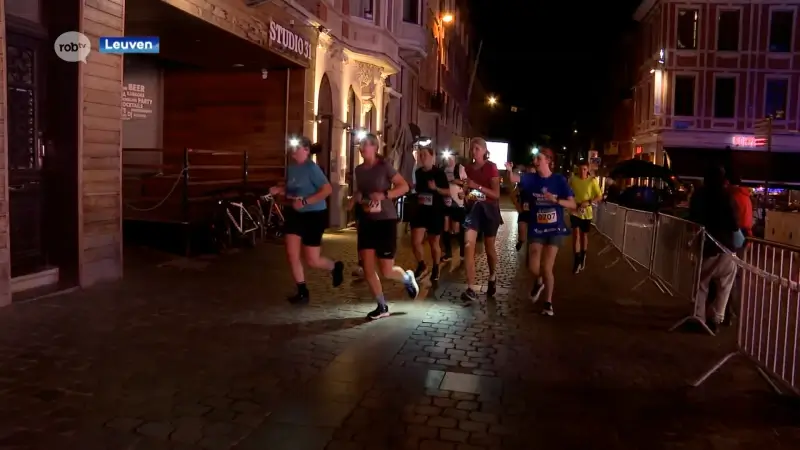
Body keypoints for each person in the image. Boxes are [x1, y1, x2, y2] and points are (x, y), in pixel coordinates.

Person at [351, 133, 419, 319]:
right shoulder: (358, 170)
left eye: (366, 145)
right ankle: (382, 306)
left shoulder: (384, 167)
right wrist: (356, 198)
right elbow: (361, 192)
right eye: (361, 145)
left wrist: (384, 195)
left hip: (385, 220)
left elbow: (404, 186)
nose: (362, 148)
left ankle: (406, 278)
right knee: (367, 267)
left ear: (375, 147)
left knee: (387, 270)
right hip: (367, 220)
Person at [269, 137, 344, 304]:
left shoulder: (312, 169)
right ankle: (302, 291)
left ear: (306, 150)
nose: (294, 151)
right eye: (292, 147)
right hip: (295, 214)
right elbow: (290, 188)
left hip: (314, 215)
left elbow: (327, 190)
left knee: (312, 260)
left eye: (297, 148)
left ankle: (334, 267)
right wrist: (279, 189)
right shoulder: (292, 168)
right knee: (291, 253)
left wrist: (305, 201)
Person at [507, 148, 576, 316]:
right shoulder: (531, 179)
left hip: (555, 228)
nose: (535, 160)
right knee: (533, 266)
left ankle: (548, 303)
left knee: (547, 267)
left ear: (548, 161)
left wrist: (556, 200)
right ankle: (539, 282)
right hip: (537, 226)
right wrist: (509, 171)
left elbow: (573, 204)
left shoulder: (559, 180)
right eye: (535, 158)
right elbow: (514, 179)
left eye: (539, 158)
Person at [688, 165, 740, 333]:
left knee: (701, 284)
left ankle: (699, 317)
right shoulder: (727, 196)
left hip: (707, 246)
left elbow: (693, 217)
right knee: (725, 285)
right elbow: (734, 223)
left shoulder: (699, 195)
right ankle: (716, 318)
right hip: (727, 248)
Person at [461, 138, 502, 302]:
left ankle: (492, 276)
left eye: (477, 149)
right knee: (468, 245)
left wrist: (476, 186)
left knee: (489, 248)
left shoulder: (491, 167)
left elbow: (496, 194)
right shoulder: (468, 168)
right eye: (472, 149)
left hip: (490, 211)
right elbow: (468, 191)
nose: (474, 151)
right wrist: (463, 194)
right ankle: (470, 288)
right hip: (474, 211)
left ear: (485, 151)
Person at [410, 147, 450, 281]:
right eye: (420, 155)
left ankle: (436, 267)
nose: (422, 157)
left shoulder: (439, 173)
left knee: (434, 244)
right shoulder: (418, 172)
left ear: (432, 157)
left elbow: (448, 192)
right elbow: (419, 189)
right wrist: (413, 188)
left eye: (425, 155)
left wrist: (435, 188)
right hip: (421, 210)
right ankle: (422, 265)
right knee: (415, 242)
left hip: (435, 211)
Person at [568, 160, 603, 273]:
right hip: (574, 210)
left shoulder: (592, 181)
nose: (582, 172)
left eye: (584, 169)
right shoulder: (573, 179)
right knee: (576, 234)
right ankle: (576, 260)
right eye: (580, 169)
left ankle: (583, 256)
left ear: (587, 170)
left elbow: (599, 196)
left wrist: (588, 202)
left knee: (584, 235)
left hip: (586, 212)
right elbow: (567, 191)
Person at [442, 155, 467, 261]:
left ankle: (462, 252)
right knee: (445, 228)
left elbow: (466, 182)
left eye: (451, 157)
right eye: (447, 158)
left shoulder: (460, 168)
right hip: (445, 201)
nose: (449, 160)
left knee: (457, 230)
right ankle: (448, 253)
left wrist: (463, 191)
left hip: (458, 203)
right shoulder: (442, 169)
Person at [514, 164, 536, 251]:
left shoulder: (538, 184)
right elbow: (513, 195)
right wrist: (518, 207)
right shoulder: (522, 184)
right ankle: (521, 241)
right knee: (522, 234)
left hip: (534, 212)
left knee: (532, 239)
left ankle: (530, 255)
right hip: (523, 212)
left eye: (533, 173)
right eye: (529, 173)